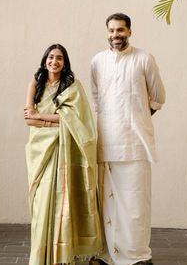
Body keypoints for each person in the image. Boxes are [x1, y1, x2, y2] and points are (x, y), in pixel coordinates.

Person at [90, 13, 166, 265]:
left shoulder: (144, 58)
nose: (115, 35)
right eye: (111, 30)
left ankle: (137, 256)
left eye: (120, 30)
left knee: (135, 202)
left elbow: (157, 98)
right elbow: (97, 100)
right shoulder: (97, 62)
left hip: (135, 144)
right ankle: (107, 255)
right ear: (106, 32)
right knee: (108, 202)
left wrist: (136, 118)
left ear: (130, 32)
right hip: (106, 142)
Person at [24, 44, 103, 265]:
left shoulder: (72, 87)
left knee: (64, 200)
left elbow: (81, 120)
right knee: (42, 203)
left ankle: (63, 256)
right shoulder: (35, 84)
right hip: (41, 152)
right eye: (51, 57)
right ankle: (41, 256)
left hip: (66, 151)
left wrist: (41, 115)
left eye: (59, 58)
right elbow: (28, 120)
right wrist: (57, 119)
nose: (54, 61)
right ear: (45, 60)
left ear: (65, 63)